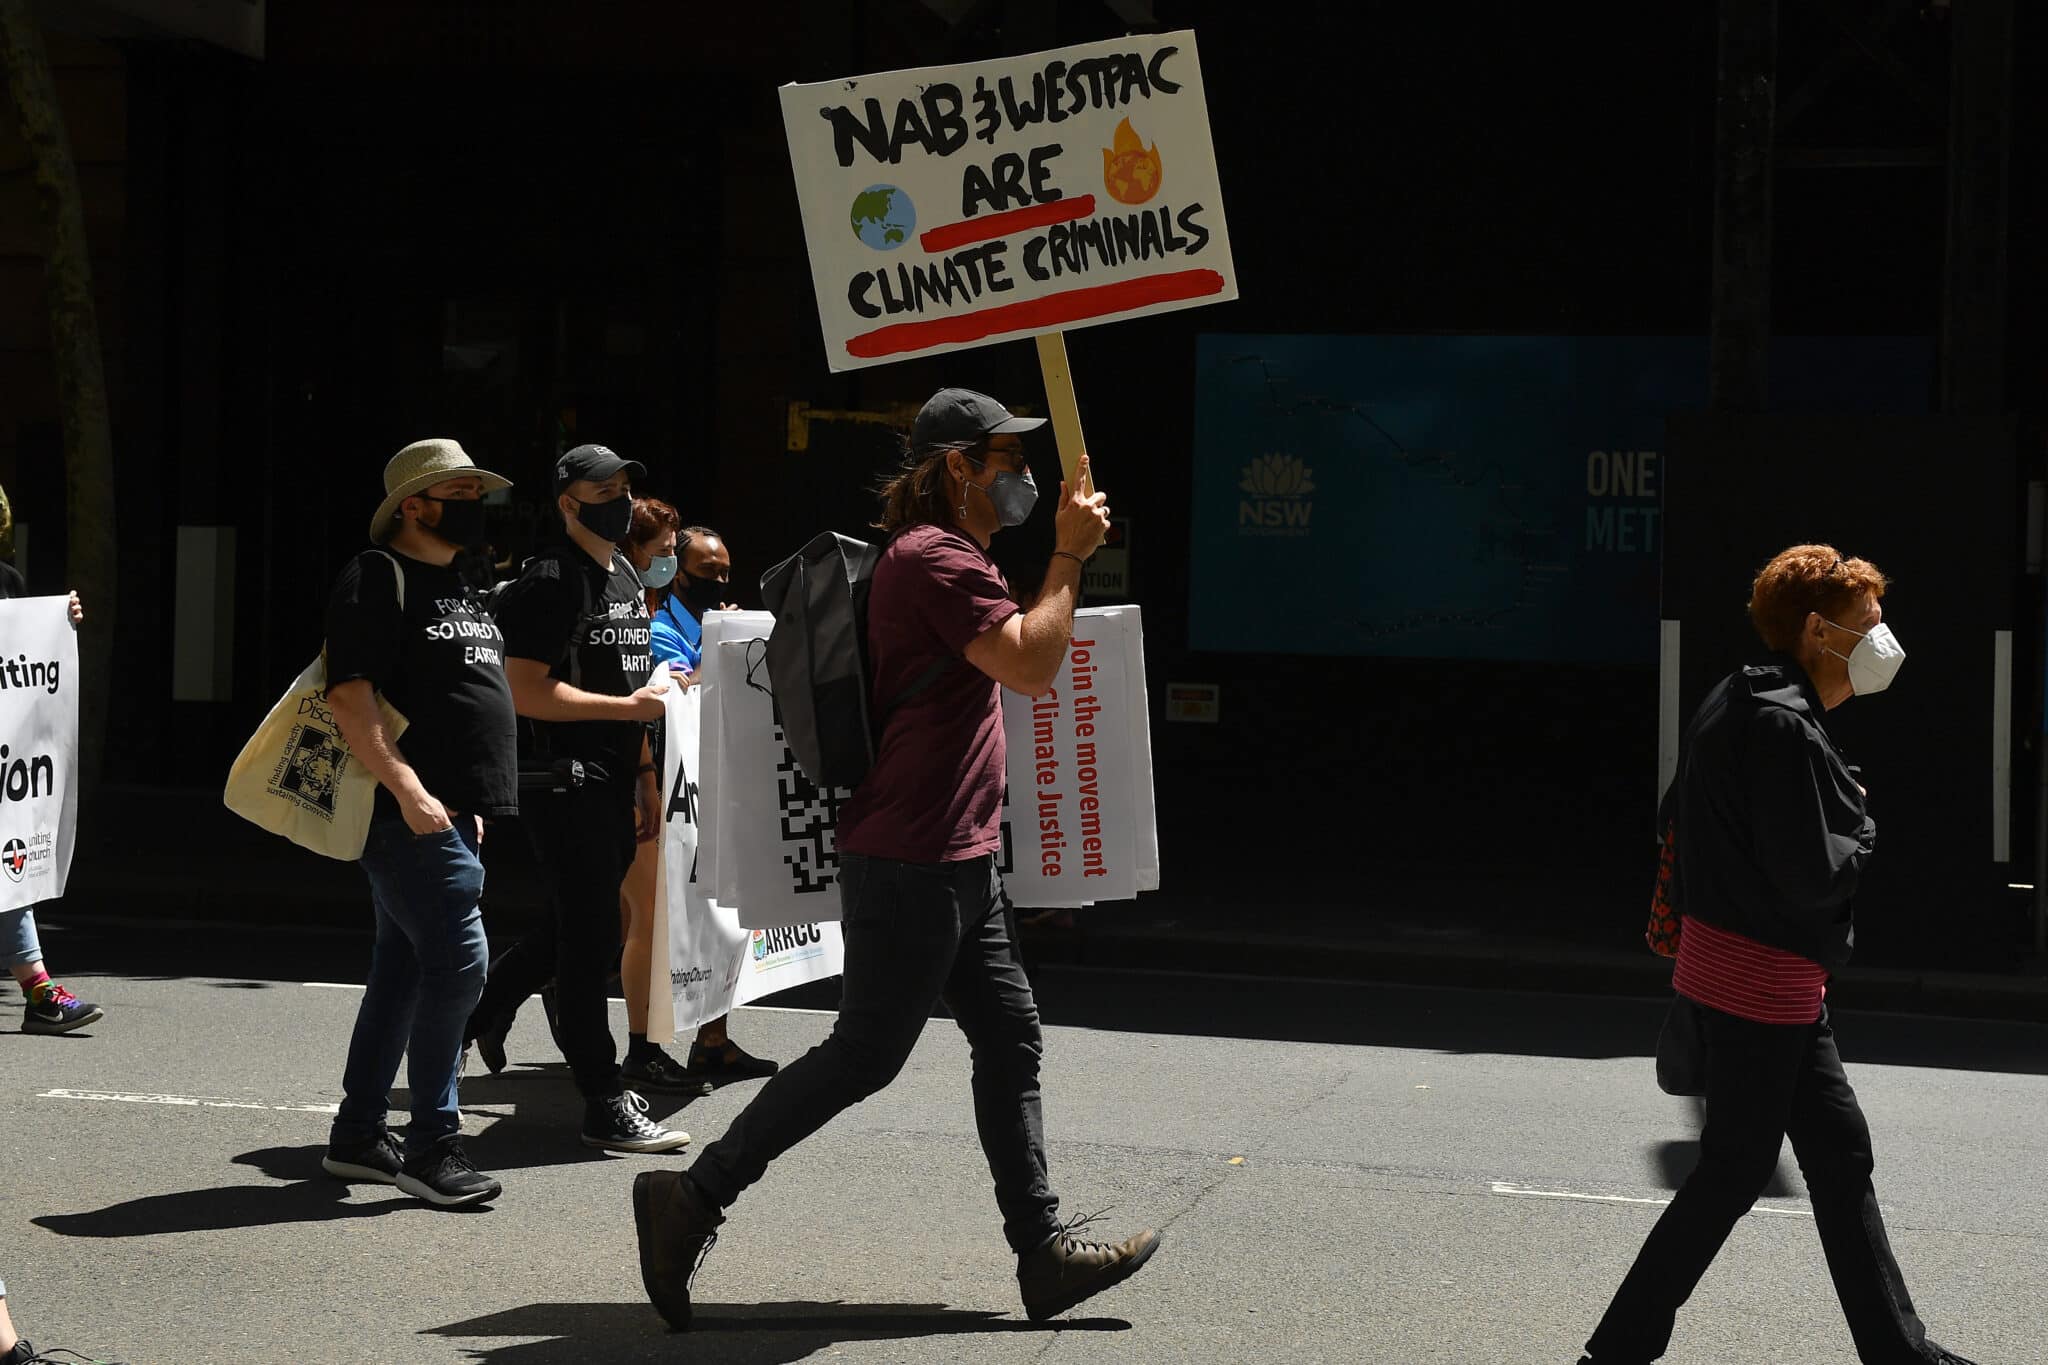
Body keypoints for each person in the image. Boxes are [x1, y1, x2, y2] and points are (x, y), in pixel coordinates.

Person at [632, 387, 1160, 1330]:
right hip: (913, 855)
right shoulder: (934, 558)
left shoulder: (951, 557)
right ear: (959, 467)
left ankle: (1040, 1254)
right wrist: (1073, 551)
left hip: (959, 857)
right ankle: (692, 1196)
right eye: (1009, 461)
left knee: (1010, 1036)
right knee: (866, 1055)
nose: (1025, 479)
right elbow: (1032, 664)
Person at [1579, 545, 1978, 1365]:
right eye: (1867, 621)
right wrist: (1863, 820)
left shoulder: (1739, 696)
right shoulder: (1787, 726)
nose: (1881, 636)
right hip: (1765, 981)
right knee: (1735, 1169)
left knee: (1836, 1154)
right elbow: (1814, 877)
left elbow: (1680, 816)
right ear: (1816, 631)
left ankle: (1900, 1352)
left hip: (1744, 972)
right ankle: (1616, 1350)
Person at [465, 444, 689, 1155]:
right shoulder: (550, 581)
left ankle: (477, 1013)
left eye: (626, 485)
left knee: (573, 927)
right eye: (604, 488)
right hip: (564, 785)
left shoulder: (623, 571)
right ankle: (602, 1097)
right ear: (568, 501)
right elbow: (524, 687)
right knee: (589, 942)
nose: (619, 498)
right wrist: (631, 717)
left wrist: (646, 770)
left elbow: (630, 681)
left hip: (617, 778)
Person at [319, 439, 514, 1208]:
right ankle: (432, 1144)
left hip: (446, 816)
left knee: (401, 972)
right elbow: (350, 696)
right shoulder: (377, 575)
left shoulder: (457, 583)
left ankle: (360, 1134)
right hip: (409, 814)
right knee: (462, 968)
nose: (474, 502)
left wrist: (466, 804)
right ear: (414, 504)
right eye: (458, 490)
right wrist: (408, 788)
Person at [624, 503, 777, 1089]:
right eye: (704, 570)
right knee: (647, 924)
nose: (717, 582)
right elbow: (671, 693)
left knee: (722, 919)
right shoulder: (660, 623)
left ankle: (713, 1043)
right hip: (669, 790)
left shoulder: (715, 619)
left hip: (719, 787)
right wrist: (720, 652)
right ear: (677, 570)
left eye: (724, 570)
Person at [0, 483, 98, 1037]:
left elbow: (19, 657)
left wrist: (61, 625)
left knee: (5, 866)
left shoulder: (5, 580)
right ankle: (38, 994)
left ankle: (39, 992)